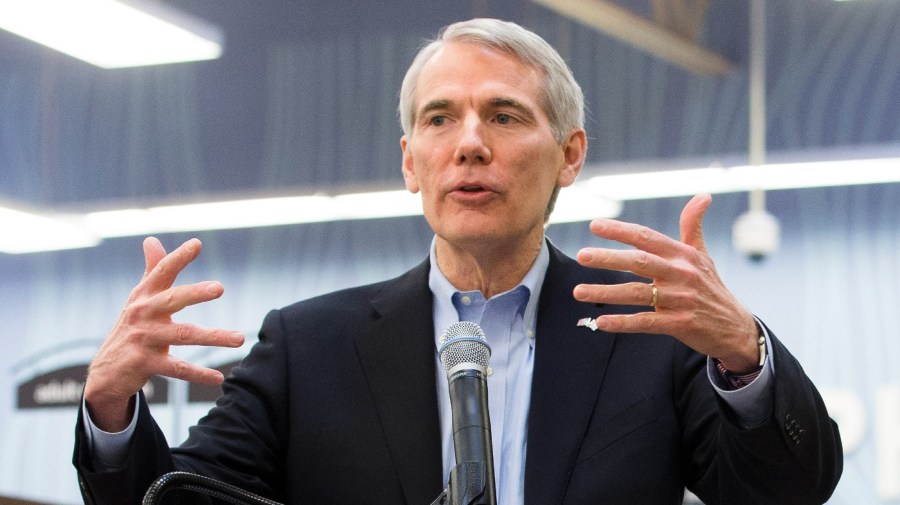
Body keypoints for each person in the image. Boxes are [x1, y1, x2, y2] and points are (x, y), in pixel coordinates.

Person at [73, 18, 842, 505]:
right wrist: (111, 413)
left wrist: (744, 353)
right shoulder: (310, 348)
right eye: (441, 118)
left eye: (505, 115)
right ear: (412, 162)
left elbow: (786, 490)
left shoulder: (650, 330)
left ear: (571, 154)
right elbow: (172, 499)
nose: (470, 141)